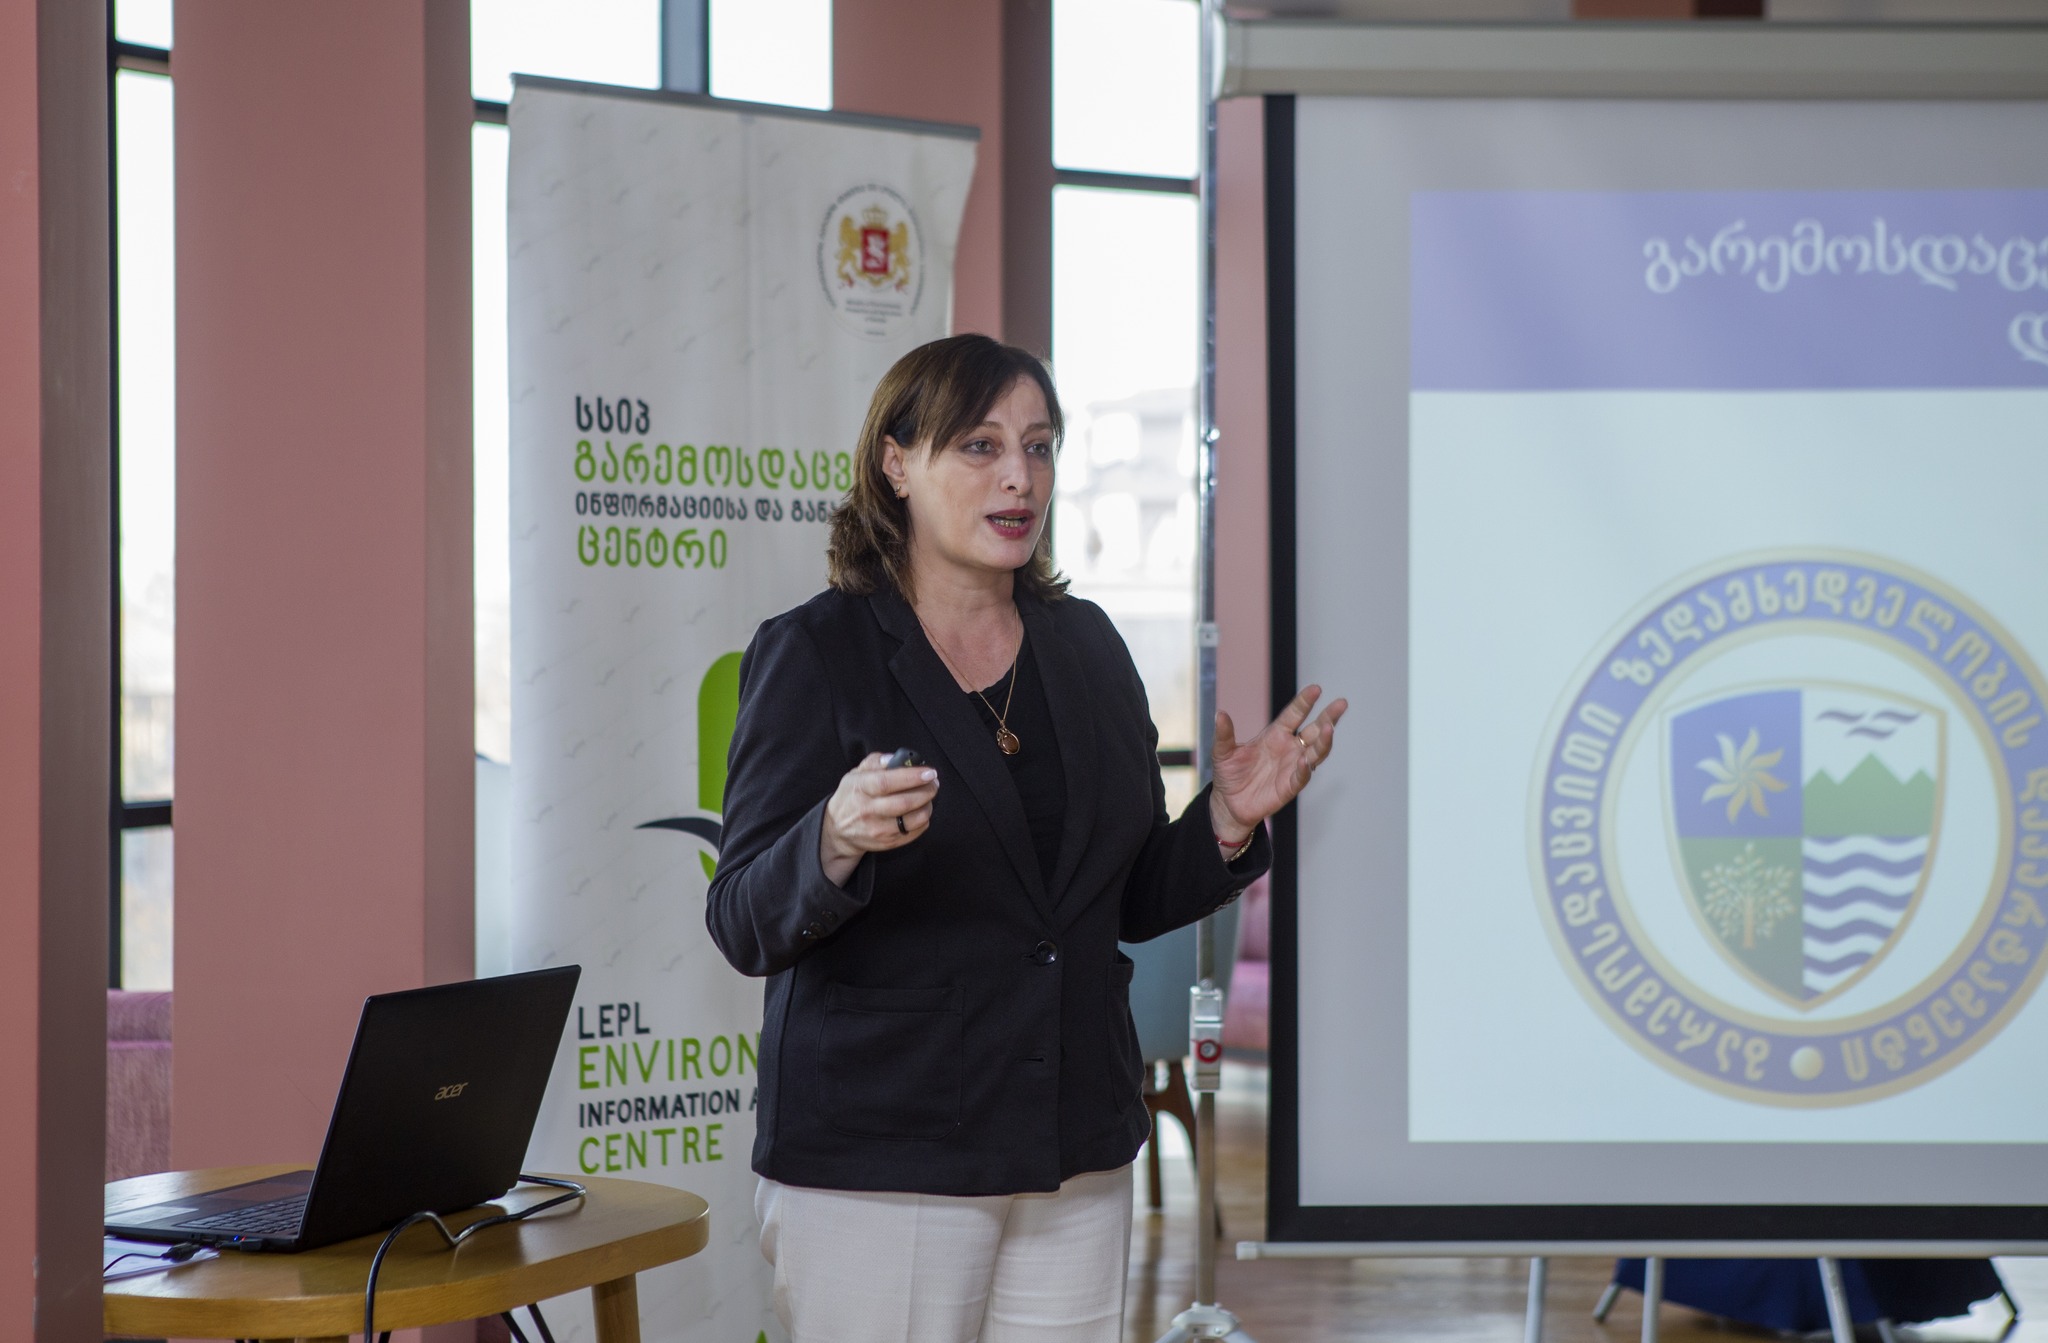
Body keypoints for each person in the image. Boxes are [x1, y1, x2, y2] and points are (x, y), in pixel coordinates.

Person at [706, 333, 1344, 1342]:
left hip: (1072, 1143)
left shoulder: (1086, 646)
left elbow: (1126, 896)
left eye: (1039, 446)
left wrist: (1226, 820)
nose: (1019, 475)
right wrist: (832, 835)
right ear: (896, 463)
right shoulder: (817, 651)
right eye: (981, 445)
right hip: (887, 1154)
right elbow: (743, 918)